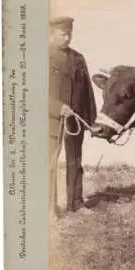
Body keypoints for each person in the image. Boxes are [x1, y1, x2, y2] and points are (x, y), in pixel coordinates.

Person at [48, 16, 97, 214]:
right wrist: (58, 107)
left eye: (69, 34)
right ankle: (49, 207)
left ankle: (76, 203)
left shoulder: (78, 58)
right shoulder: (43, 57)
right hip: (52, 121)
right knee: (49, 164)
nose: (67, 38)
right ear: (52, 34)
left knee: (75, 161)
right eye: (63, 34)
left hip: (75, 121)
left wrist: (92, 122)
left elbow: (88, 92)